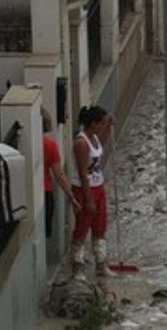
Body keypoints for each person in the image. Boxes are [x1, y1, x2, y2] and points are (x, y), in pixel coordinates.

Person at [70, 105, 113, 278]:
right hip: (83, 188)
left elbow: (100, 147)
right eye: (102, 123)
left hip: (98, 186)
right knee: (83, 225)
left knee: (100, 225)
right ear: (93, 124)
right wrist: (88, 199)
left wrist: (109, 128)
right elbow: (82, 173)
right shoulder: (81, 143)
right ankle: (77, 266)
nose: (103, 126)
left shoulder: (94, 137)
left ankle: (101, 264)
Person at [43, 107, 80, 240]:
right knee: (45, 233)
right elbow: (59, 176)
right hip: (46, 192)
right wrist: (71, 196)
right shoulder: (50, 146)